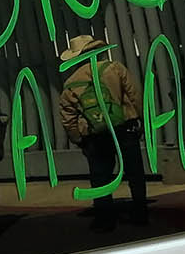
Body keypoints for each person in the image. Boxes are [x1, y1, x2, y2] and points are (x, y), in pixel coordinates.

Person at [56, 33, 146, 231]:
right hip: (125, 127)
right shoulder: (114, 68)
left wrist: (78, 139)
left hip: (95, 135)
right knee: (134, 171)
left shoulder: (71, 82)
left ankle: (105, 218)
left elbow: (68, 117)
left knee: (100, 176)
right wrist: (140, 120)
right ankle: (140, 212)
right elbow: (135, 95)